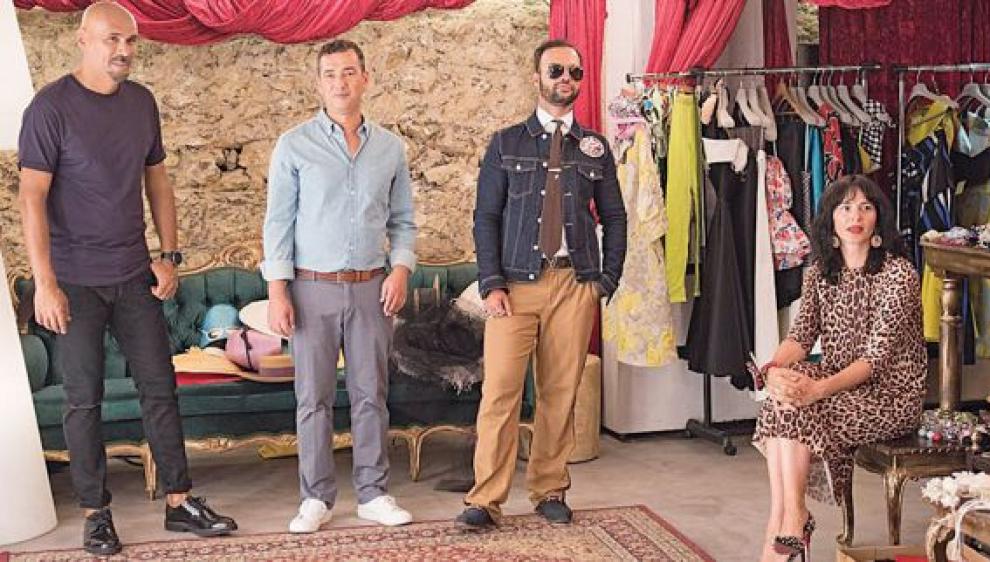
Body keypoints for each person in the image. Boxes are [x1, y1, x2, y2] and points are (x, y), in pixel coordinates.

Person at [16, 2, 237, 555]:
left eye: (131, 41)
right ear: (83, 39)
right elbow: (31, 198)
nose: (123, 50)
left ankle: (179, 501)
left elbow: (157, 181)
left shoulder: (141, 103)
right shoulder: (50, 108)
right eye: (112, 39)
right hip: (75, 283)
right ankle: (96, 514)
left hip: (135, 274)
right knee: (83, 400)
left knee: (160, 389)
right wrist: (45, 283)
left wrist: (169, 256)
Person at [455, 39, 627, 531]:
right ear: (537, 77)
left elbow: (615, 217)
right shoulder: (506, 143)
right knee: (501, 393)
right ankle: (485, 500)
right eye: (556, 70)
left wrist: (605, 281)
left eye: (575, 72)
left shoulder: (595, 147)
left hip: (574, 285)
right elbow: (486, 217)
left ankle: (550, 489)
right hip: (514, 286)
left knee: (560, 393)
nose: (566, 79)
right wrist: (491, 283)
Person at [262, 38, 418, 534]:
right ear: (318, 83)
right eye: (330, 74)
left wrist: (400, 270)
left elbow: (403, 220)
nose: (340, 82)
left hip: (372, 287)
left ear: (365, 78)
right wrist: (278, 291)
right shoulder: (294, 145)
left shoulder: (390, 148)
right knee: (313, 398)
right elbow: (277, 223)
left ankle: (373, 493)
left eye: (349, 72)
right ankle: (315, 497)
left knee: (372, 394)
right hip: (312, 289)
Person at [752, 175, 926, 562]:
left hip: (889, 397)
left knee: (795, 406)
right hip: (838, 383)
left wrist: (817, 390)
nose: (855, 217)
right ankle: (786, 515)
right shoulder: (820, 272)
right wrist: (775, 369)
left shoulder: (899, 275)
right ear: (831, 219)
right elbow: (801, 336)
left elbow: (874, 360)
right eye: (845, 208)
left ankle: (788, 522)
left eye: (865, 207)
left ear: (878, 218)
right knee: (782, 399)